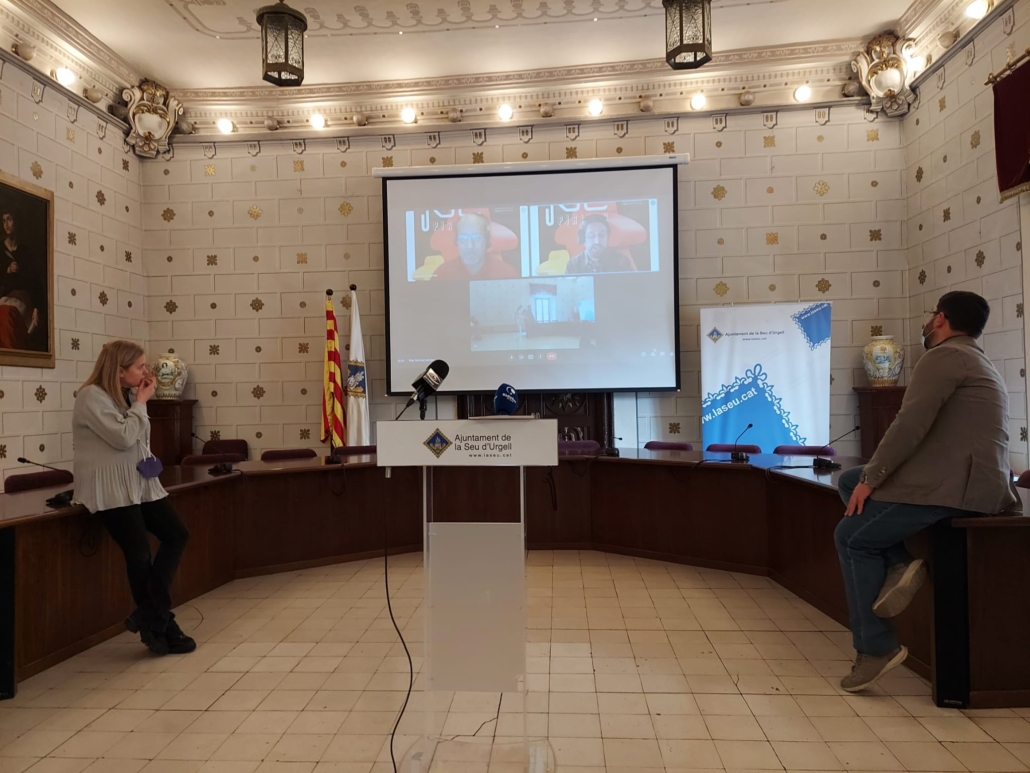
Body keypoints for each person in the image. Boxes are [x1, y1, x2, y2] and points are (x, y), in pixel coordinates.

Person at [835, 291, 1019, 692]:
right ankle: (899, 564)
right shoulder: (973, 356)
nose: (928, 319)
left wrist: (873, 478)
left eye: (932, 313)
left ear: (940, 319)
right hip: (968, 477)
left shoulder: (944, 357)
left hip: (957, 485)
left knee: (851, 537)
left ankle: (876, 647)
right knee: (849, 481)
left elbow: (909, 425)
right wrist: (867, 478)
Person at [73, 340, 196, 656]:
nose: (145, 371)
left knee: (176, 534)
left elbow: (138, 439)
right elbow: (124, 437)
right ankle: (162, 626)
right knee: (139, 554)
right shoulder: (90, 397)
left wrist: (137, 399)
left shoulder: (127, 396)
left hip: (139, 483)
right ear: (119, 371)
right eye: (140, 366)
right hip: (110, 488)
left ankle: (148, 614)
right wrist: (141, 402)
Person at [0, 206, 43, 351]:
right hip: (4, 298)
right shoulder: (0, 250)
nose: (6, 224)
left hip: (22, 301)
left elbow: (36, 283)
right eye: (4, 221)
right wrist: (6, 270)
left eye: (9, 219)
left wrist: (36, 309)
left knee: (8, 315)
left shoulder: (25, 251)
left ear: (16, 221)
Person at [432, 213, 518, 280]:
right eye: (463, 239)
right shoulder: (441, 274)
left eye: (476, 238)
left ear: (486, 239)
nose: (470, 246)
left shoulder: (507, 273)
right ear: (457, 241)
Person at [564, 214, 635, 274]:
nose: (597, 241)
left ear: (607, 237)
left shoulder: (621, 261)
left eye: (602, 235)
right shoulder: (573, 265)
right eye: (591, 236)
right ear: (583, 238)